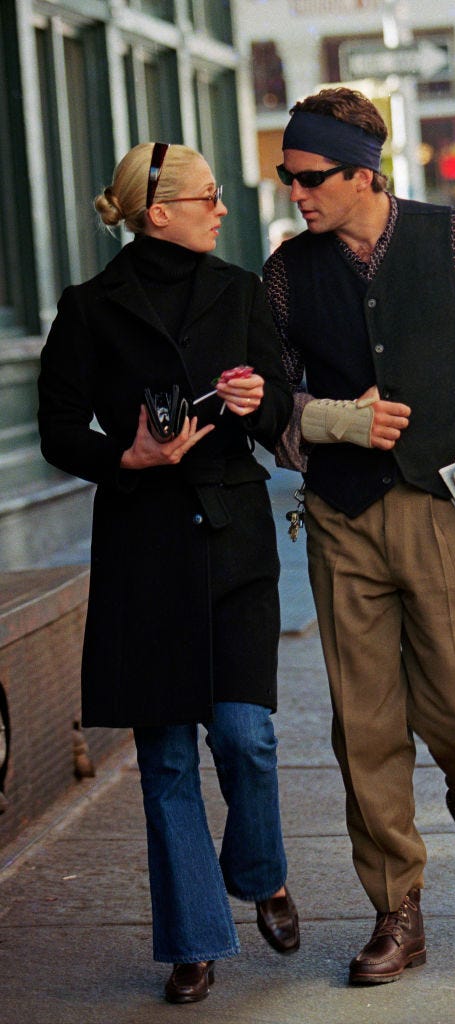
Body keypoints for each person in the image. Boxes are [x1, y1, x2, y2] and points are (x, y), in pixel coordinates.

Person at [263, 88, 455, 985]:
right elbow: (276, 405)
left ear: (363, 174)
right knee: (364, 727)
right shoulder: (287, 271)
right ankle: (395, 910)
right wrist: (328, 421)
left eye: (310, 178)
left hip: (441, 502)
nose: (296, 194)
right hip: (342, 516)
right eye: (288, 178)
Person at [38, 142, 300, 1004]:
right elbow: (56, 428)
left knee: (245, 737)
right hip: (144, 550)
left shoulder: (238, 289)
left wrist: (259, 399)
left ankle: (261, 872)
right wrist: (131, 453)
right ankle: (193, 941)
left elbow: (276, 399)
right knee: (166, 762)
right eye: (209, 197)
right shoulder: (89, 308)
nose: (222, 208)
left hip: (230, 537)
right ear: (159, 213)